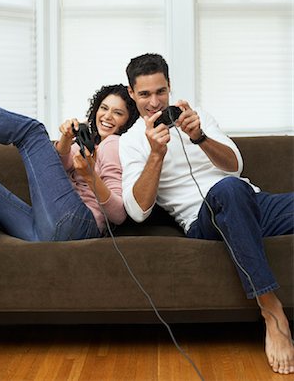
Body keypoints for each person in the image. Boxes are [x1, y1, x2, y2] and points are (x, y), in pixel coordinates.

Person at [119, 53, 294, 375]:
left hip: (253, 203)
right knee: (227, 190)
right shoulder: (131, 142)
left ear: (169, 87)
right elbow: (137, 212)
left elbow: (235, 166)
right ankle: (272, 312)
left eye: (160, 92)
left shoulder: (198, 118)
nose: (155, 102)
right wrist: (156, 155)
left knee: (233, 187)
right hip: (204, 219)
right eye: (144, 94)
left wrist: (199, 137)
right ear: (131, 94)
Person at [0, 84, 138, 241]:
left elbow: (118, 215)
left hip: (79, 221)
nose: (107, 116)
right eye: (104, 108)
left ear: (128, 121)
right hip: (49, 230)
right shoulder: (89, 143)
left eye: (118, 113)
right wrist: (66, 138)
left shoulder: (113, 143)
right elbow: (54, 170)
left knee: (32, 132)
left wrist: (90, 176)